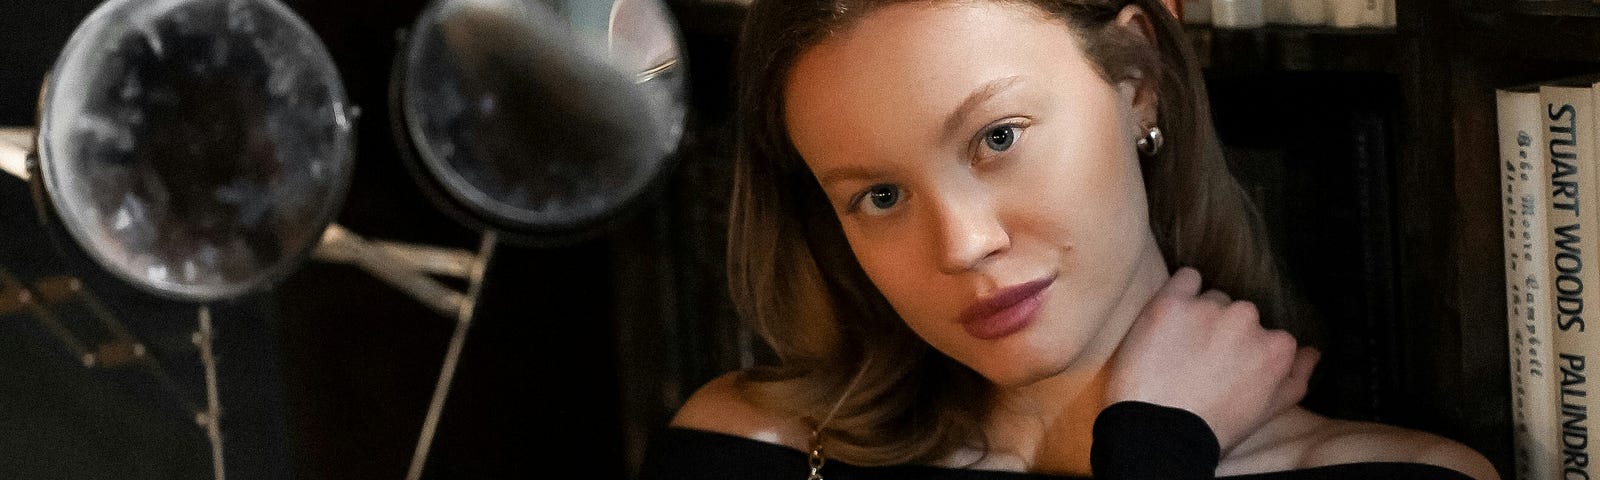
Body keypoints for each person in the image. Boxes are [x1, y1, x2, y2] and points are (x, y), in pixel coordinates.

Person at [641, 0, 1501, 478]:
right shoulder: (749, 450)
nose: (964, 244)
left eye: (999, 138)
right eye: (878, 195)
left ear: (1138, 81)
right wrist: (1155, 455)